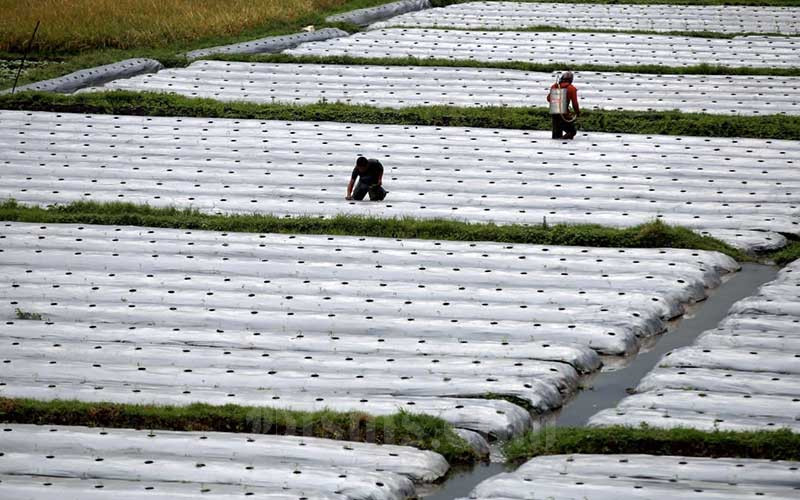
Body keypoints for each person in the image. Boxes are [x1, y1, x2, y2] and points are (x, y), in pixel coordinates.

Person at [546, 71, 580, 140]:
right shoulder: (571, 88)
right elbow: (575, 104)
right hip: (564, 114)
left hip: (554, 113)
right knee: (572, 131)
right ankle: (563, 140)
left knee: (556, 136)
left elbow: (549, 99)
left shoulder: (554, 86)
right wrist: (577, 112)